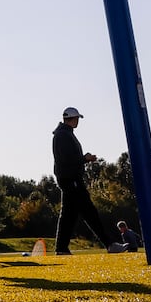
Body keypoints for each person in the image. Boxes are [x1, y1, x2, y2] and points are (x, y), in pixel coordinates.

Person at [52, 107, 125, 255]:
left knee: (68, 215)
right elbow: (67, 159)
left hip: (68, 178)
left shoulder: (64, 134)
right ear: (72, 119)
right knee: (89, 212)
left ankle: (61, 249)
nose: (78, 121)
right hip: (71, 179)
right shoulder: (63, 135)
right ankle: (109, 244)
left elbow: (67, 159)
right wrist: (85, 159)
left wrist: (83, 159)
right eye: (77, 118)